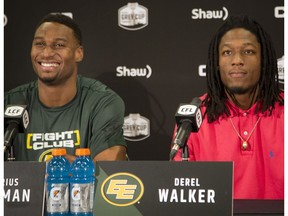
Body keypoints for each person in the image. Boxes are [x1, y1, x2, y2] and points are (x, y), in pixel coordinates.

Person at [171, 15, 284, 199]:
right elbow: (181, 194)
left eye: (248, 52)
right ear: (216, 63)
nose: (237, 60)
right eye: (227, 52)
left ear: (265, 61)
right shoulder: (194, 117)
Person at [4, 13, 127, 163]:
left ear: (78, 53)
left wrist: (67, 171)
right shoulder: (8, 102)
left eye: (59, 45)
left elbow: (109, 174)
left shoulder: (103, 102)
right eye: (40, 44)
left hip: (79, 187)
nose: (47, 53)